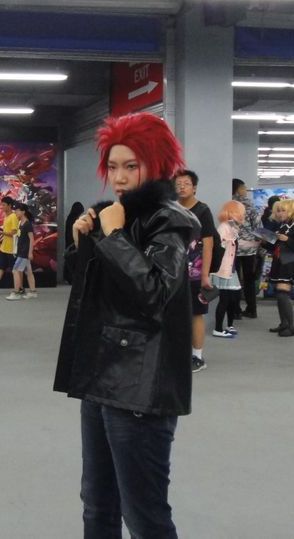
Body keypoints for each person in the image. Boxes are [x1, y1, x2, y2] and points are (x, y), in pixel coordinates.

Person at [54, 112, 197, 538]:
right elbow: (98, 293)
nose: (119, 177)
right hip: (102, 377)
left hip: (140, 386)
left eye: (131, 166)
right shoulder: (115, 216)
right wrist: (84, 243)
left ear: (156, 165)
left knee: (144, 515)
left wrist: (113, 237)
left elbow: (153, 294)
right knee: (97, 503)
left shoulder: (169, 222)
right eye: (113, 166)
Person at [175, 169, 216, 373]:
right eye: (178, 184)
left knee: (196, 314)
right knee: (174, 313)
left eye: (186, 184)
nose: (181, 187)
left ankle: (197, 356)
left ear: (194, 188)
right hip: (173, 271)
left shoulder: (202, 210)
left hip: (195, 271)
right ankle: (178, 353)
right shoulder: (171, 209)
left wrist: (205, 275)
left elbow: (208, 244)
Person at [266, 199, 294, 338]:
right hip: (279, 261)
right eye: (278, 211)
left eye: (283, 210)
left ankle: (291, 327)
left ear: (291, 211)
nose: (279, 213)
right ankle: (284, 323)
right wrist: (264, 241)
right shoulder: (283, 225)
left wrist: (287, 239)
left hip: (288, 262)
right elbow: (276, 245)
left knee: (283, 294)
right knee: (279, 294)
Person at [211, 200, 245, 338]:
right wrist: (230, 240)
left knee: (232, 299)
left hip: (231, 268)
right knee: (225, 299)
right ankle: (218, 328)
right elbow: (218, 247)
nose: (241, 216)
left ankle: (229, 325)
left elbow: (238, 245)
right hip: (224, 269)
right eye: (239, 212)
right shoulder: (223, 227)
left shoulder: (232, 227)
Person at [232, 179, 262, 319]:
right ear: (238, 189)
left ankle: (235, 310)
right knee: (249, 279)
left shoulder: (227, 204)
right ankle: (251, 309)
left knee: (235, 279)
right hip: (249, 248)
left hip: (233, 247)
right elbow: (258, 226)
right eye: (244, 188)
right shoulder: (249, 205)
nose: (245, 191)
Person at [6, 202, 37, 300]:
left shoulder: (27, 224)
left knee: (15, 270)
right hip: (21, 251)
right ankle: (33, 292)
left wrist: (30, 252)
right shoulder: (21, 223)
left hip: (24, 252)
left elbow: (31, 239)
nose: (15, 212)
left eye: (17, 211)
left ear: (23, 212)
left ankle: (16, 293)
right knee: (29, 272)